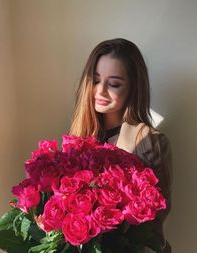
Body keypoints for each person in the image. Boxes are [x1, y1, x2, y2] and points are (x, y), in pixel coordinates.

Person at [69, 38, 172, 253]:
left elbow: (154, 223)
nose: (101, 91)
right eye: (96, 80)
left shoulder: (149, 142)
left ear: (133, 88)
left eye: (114, 84)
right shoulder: (78, 135)